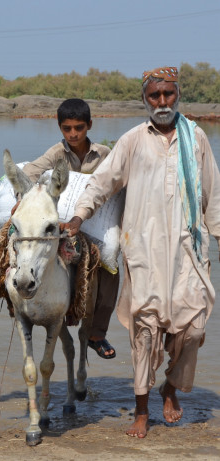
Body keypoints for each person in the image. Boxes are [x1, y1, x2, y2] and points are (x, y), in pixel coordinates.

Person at [60, 67, 220, 438]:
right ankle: (143, 409)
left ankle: (170, 387)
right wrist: (79, 216)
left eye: (167, 94)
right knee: (146, 332)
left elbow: (212, 193)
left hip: (187, 250)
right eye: (154, 96)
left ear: (177, 94)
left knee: (194, 330)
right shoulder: (132, 140)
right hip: (144, 251)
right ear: (144, 99)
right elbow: (103, 183)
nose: (162, 102)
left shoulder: (196, 138)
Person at [0, 98, 119, 359]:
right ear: (59, 127)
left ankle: (97, 334)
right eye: (67, 128)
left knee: (110, 266)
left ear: (89, 125)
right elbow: (28, 173)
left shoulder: (104, 154)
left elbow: (113, 184)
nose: (73, 134)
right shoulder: (56, 153)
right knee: (10, 230)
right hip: (54, 223)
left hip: (88, 222)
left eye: (79, 128)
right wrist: (22, 200)